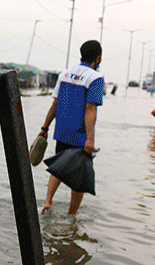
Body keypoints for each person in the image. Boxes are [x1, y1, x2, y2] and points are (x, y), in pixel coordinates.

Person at [36, 40, 104, 215]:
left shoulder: (65, 74)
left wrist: (44, 127)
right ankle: (72, 216)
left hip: (62, 132)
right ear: (98, 58)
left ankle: (48, 202)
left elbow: (55, 104)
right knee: (80, 177)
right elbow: (90, 108)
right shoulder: (95, 78)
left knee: (59, 167)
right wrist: (90, 139)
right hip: (80, 136)